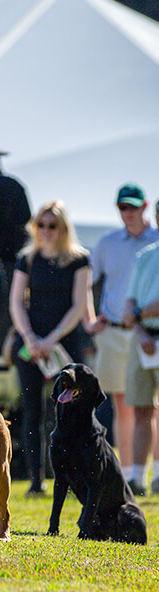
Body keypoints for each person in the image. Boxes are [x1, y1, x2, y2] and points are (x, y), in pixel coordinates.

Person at [9, 200, 91, 496]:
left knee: (69, 412)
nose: (45, 231)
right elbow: (16, 301)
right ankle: (36, 479)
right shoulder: (27, 259)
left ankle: (71, 479)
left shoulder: (79, 260)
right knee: (32, 411)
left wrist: (51, 339)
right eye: (40, 225)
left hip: (64, 343)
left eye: (52, 226)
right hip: (30, 343)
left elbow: (79, 306)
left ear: (63, 228)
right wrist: (30, 338)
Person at [85, 183, 159, 493]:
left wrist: (139, 317)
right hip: (117, 331)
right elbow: (86, 282)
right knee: (125, 405)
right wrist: (90, 319)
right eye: (123, 208)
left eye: (133, 206)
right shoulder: (108, 243)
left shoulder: (154, 242)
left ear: (145, 207)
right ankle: (129, 475)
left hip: (147, 330)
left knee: (151, 407)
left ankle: (156, 475)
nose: (128, 213)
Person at [121, 202, 159, 496]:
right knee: (141, 408)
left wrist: (138, 315)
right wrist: (138, 327)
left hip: (149, 332)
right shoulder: (146, 256)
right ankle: (136, 477)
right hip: (142, 339)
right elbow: (129, 305)